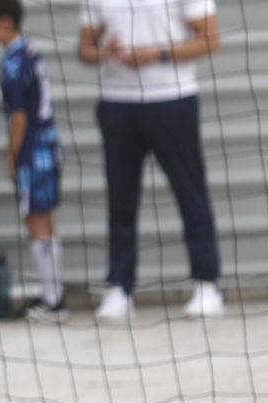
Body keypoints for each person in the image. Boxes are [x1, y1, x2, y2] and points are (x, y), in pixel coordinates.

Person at [79, 0, 223, 321]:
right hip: (118, 102)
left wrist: (156, 54)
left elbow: (210, 39)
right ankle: (119, 287)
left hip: (172, 98)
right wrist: (105, 52)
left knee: (190, 194)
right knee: (121, 200)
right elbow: (84, 48)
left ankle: (206, 284)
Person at [0, 0, 66, 323]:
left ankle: (53, 302)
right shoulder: (28, 51)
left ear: (6, 22)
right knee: (45, 220)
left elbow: (19, 118)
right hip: (48, 145)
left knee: (36, 221)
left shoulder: (13, 63)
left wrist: (12, 157)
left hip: (33, 150)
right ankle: (54, 296)